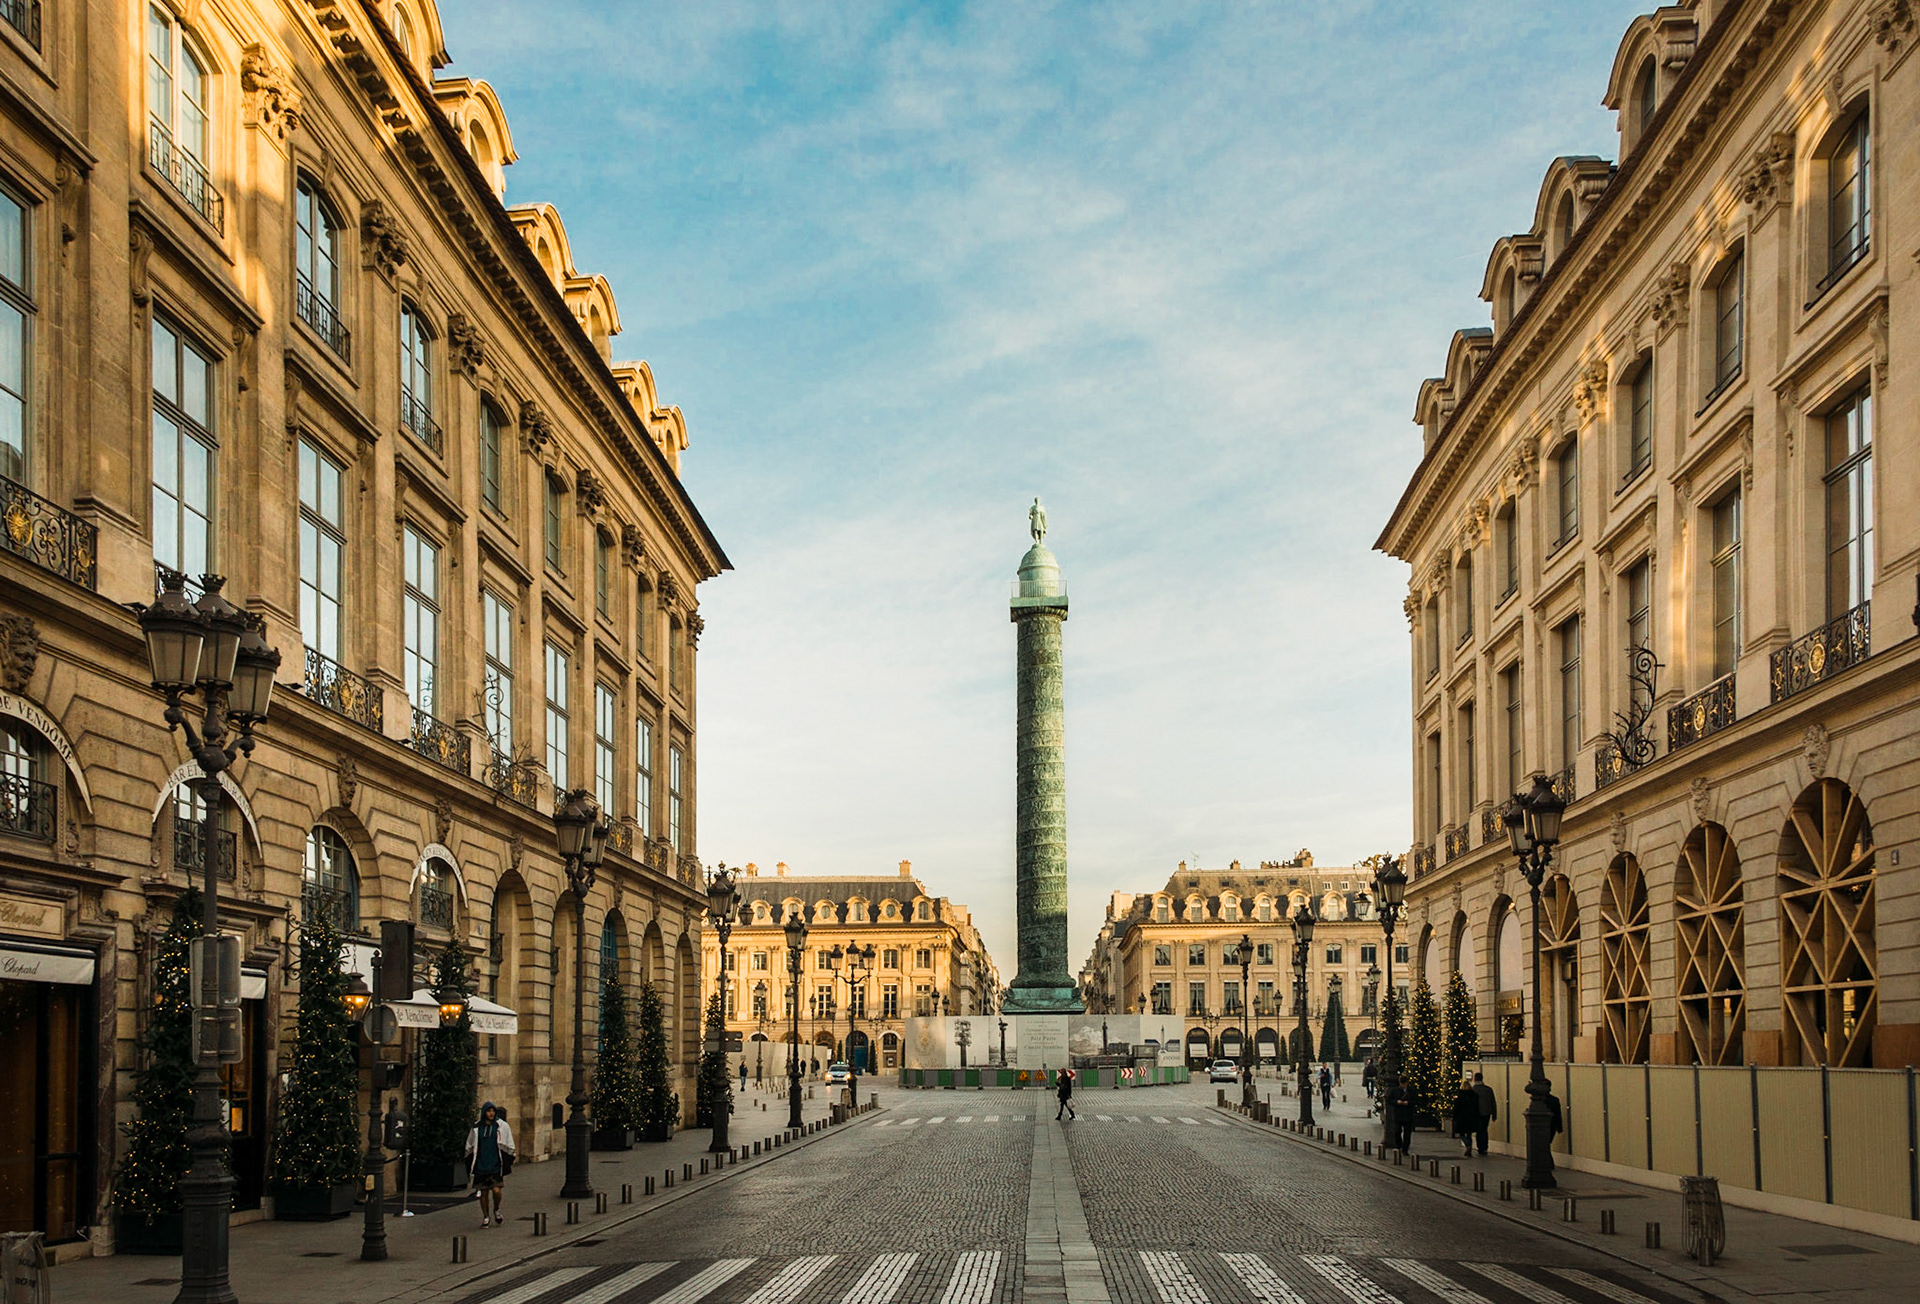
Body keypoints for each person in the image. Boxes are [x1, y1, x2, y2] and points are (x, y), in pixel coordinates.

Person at [465, 1101, 515, 1228]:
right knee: (484, 1192)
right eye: (489, 1111)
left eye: (493, 1111)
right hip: (481, 1164)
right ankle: (486, 1216)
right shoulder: (477, 1127)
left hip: (495, 1163)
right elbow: (470, 1146)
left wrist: (508, 1159)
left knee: (497, 1190)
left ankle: (496, 1208)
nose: (491, 1114)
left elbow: (508, 1144)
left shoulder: (501, 1126)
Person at [1451, 1078, 1480, 1157]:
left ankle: (1468, 1146)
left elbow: (1456, 1108)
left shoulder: (1460, 1096)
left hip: (1462, 1118)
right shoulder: (1474, 1096)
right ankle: (1469, 1149)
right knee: (1469, 1134)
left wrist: (1454, 1117)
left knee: (1462, 1134)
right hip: (1472, 1117)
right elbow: (1477, 1107)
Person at [1471, 1071, 1497, 1157]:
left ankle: (1480, 1148)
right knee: (1484, 1130)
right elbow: (1493, 1102)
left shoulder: (1472, 1090)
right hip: (1487, 1113)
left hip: (1476, 1113)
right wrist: (1494, 1114)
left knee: (1479, 1131)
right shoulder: (1488, 1089)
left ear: (1475, 1079)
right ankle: (1485, 1147)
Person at [1390, 1081, 1416, 1155]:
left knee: (1407, 1134)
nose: (1403, 1085)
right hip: (1398, 1115)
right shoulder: (1395, 1090)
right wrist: (1396, 1102)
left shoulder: (1411, 1091)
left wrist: (1408, 1103)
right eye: (1402, 1083)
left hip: (1408, 1115)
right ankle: (1399, 1146)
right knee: (1397, 1131)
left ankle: (1405, 1149)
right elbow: (1389, 1100)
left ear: (1407, 1083)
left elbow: (1416, 1100)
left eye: (1404, 1084)